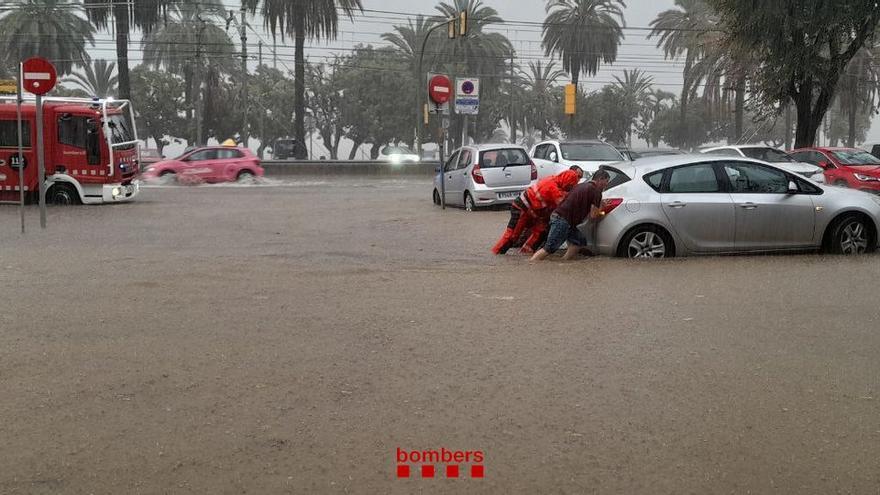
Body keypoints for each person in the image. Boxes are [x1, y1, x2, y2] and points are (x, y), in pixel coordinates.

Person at [491, 166, 583, 255]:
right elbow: (563, 204)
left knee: (540, 231)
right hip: (522, 209)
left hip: (534, 213)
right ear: (566, 180)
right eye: (570, 185)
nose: (569, 187)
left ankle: (525, 254)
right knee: (512, 235)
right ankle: (497, 253)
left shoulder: (554, 181)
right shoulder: (553, 187)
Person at [530, 169, 611, 262]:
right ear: (600, 179)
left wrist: (598, 205)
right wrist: (603, 210)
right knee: (549, 248)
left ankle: (563, 263)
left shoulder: (581, 185)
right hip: (563, 220)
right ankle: (531, 265)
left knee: (579, 241)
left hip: (560, 217)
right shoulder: (596, 192)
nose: (607, 184)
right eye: (606, 181)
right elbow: (593, 215)